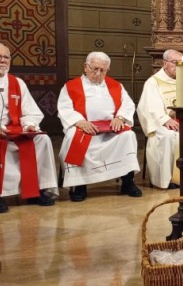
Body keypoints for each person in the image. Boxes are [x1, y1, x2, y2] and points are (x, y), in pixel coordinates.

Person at [0, 43, 58, 213]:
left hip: (14, 130)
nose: (2, 60)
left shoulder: (17, 83)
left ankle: (34, 191)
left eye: (6, 57)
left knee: (42, 140)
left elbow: (30, 111)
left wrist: (29, 125)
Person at [58, 52, 141, 202]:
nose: (98, 74)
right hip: (84, 128)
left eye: (103, 70)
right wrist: (79, 121)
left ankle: (128, 181)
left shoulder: (116, 86)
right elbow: (64, 108)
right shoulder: (71, 86)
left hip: (110, 128)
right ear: (85, 67)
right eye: (94, 69)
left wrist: (120, 117)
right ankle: (79, 185)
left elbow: (127, 104)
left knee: (128, 135)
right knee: (71, 137)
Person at [137, 50, 183, 190]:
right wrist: (165, 120)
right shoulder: (153, 82)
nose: (178, 66)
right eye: (174, 63)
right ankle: (168, 179)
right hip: (166, 123)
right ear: (164, 63)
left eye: (181, 63)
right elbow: (149, 108)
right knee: (167, 136)